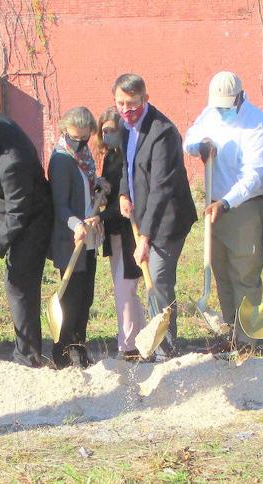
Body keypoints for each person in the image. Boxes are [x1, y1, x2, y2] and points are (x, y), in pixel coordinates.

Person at [182, 71, 263, 351]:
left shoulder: (259, 126)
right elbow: (189, 139)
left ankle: (248, 339)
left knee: (244, 274)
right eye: (217, 106)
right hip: (215, 205)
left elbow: (254, 177)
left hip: (244, 208)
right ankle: (232, 332)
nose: (221, 110)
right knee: (221, 272)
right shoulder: (211, 113)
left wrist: (227, 203)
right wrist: (199, 147)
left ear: (240, 98)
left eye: (226, 106)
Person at [114, 73, 198, 359]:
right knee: (152, 281)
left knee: (158, 281)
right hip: (143, 213)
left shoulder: (163, 133)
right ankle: (155, 346)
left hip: (168, 219)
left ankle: (165, 350)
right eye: (120, 103)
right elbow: (126, 166)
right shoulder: (125, 127)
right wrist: (124, 193)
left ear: (145, 99)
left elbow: (162, 188)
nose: (126, 109)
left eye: (132, 103)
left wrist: (146, 237)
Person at [0, 104, 54, 368]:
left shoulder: (13, 161)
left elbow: (18, 215)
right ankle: (26, 350)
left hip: (32, 220)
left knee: (19, 285)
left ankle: (28, 355)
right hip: (7, 209)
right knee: (17, 286)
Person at [47, 107, 104, 368]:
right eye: (73, 138)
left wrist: (100, 185)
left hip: (89, 240)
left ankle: (79, 347)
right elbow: (60, 205)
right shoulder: (60, 160)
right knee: (70, 298)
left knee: (85, 298)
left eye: (84, 138)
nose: (78, 143)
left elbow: (87, 187)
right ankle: (61, 352)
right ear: (64, 131)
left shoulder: (83, 156)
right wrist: (76, 225)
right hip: (71, 240)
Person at [94, 108, 148, 361]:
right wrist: (100, 184)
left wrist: (101, 216)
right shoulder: (112, 157)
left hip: (130, 230)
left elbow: (126, 199)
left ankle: (129, 346)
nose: (106, 136)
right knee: (123, 288)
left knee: (125, 288)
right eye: (103, 131)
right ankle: (138, 339)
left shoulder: (128, 157)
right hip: (115, 231)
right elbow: (110, 191)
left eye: (111, 131)